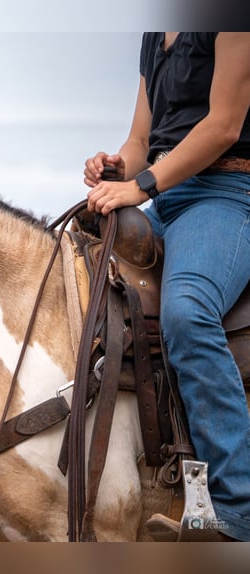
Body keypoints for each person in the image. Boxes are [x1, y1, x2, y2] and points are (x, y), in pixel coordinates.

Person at [83, 32, 250, 541]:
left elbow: (223, 126)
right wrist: (116, 168)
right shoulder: (155, 35)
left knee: (187, 312)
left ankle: (238, 508)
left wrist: (141, 185)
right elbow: (142, 141)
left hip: (228, 194)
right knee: (76, 283)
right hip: (167, 199)